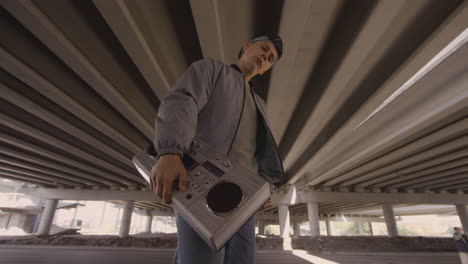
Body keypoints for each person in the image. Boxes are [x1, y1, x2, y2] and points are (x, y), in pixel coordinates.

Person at [150, 36, 285, 264]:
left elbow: (260, 151)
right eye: (263, 49)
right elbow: (183, 100)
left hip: (244, 197)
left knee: (242, 260)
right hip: (202, 184)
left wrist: (264, 187)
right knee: (200, 259)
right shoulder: (212, 70)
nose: (265, 56)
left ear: (266, 70)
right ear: (246, 47)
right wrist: (170, 152)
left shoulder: (260, 104)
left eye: (271, 58)